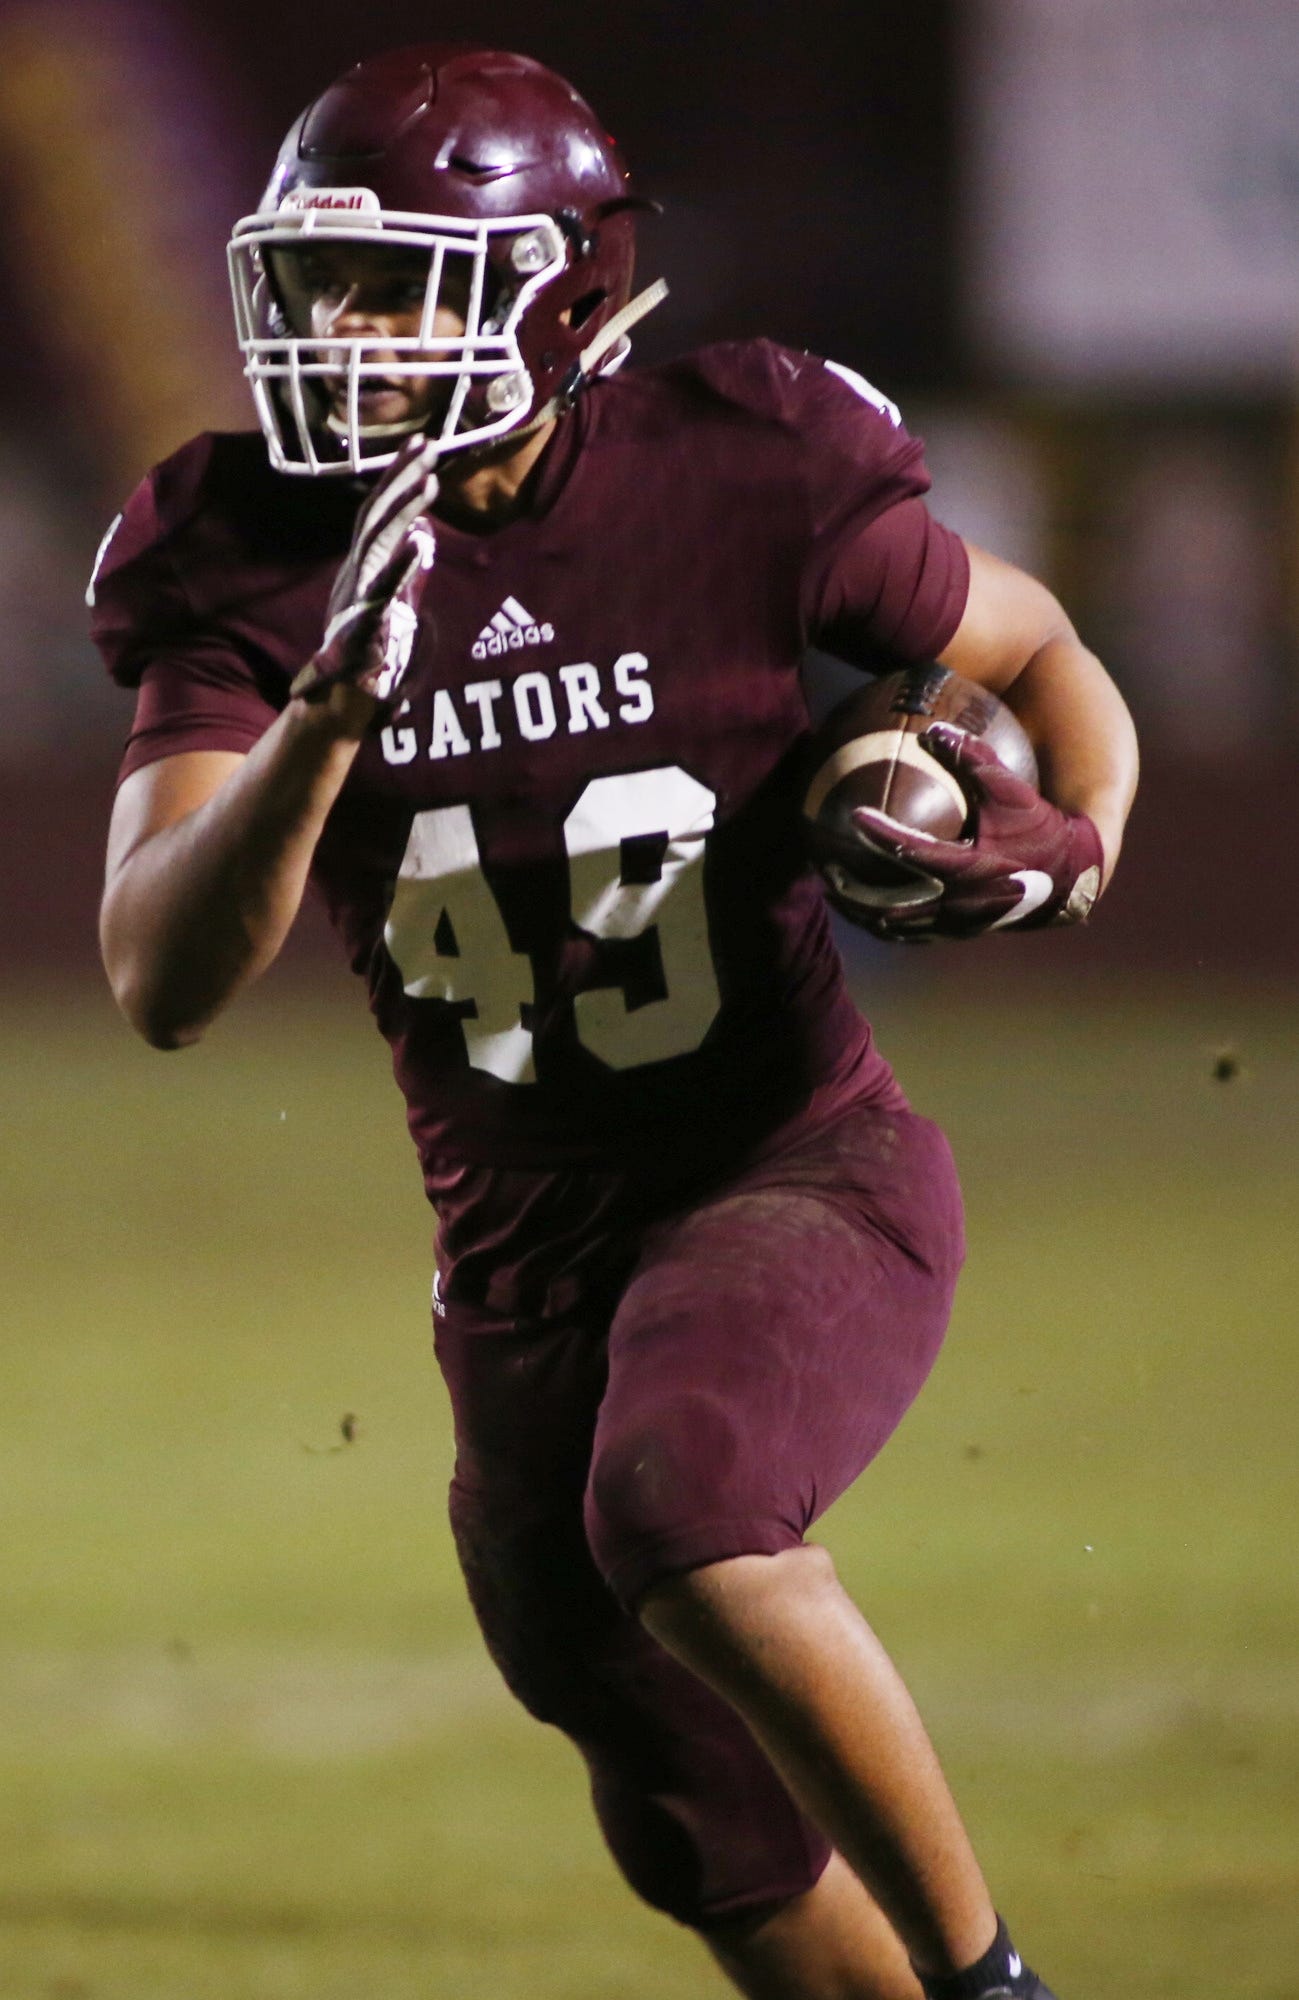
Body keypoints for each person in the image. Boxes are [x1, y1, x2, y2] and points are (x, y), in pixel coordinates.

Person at [91, 44, 1138, 2000]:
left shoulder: (741, 466)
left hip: (788, 1165)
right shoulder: (242, 548)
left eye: (404, 284)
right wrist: (322, 714)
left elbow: (1046, 652)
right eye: (324, 291)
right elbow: (158, 973)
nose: (348, 338)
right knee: (680, 1801)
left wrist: (1070, 848)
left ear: (557, 291)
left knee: (684, 1495)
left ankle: (1005, 1987)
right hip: (514, 1264)